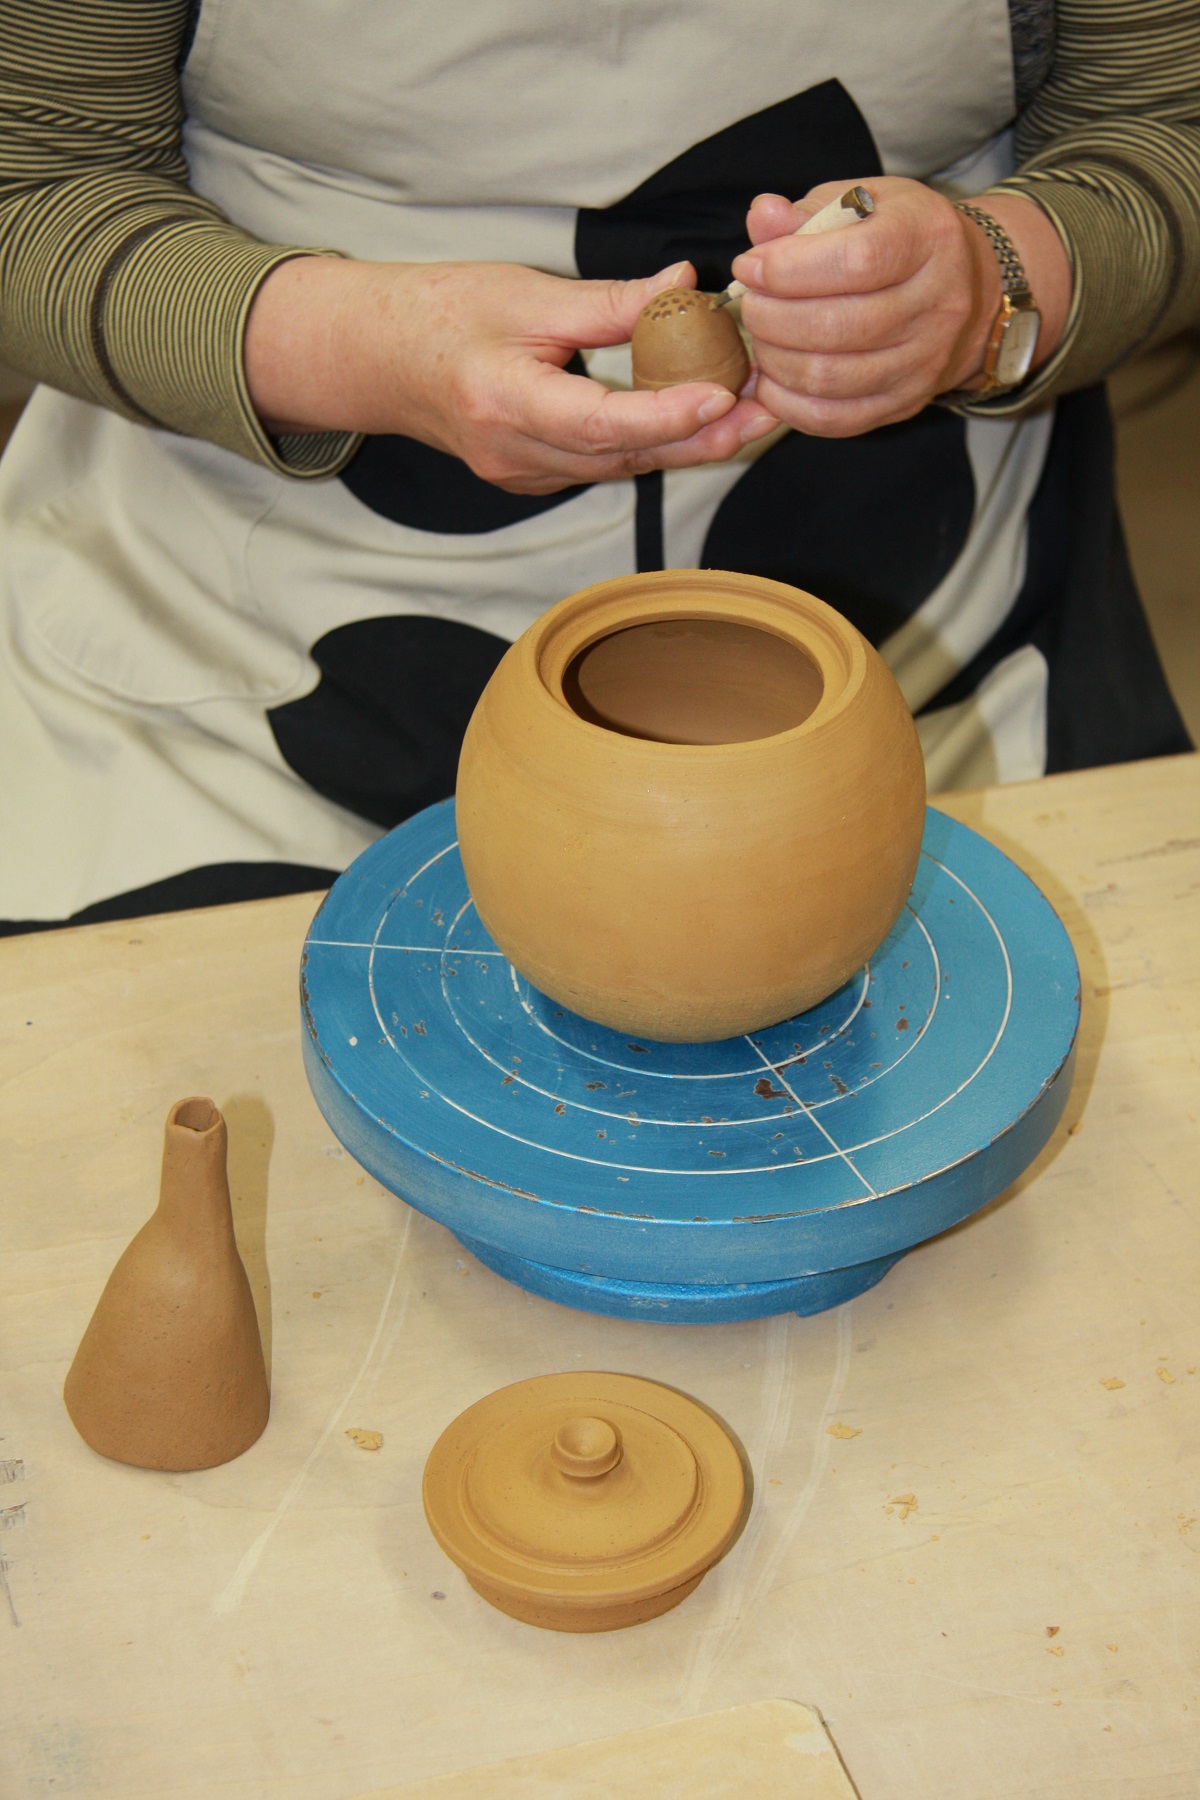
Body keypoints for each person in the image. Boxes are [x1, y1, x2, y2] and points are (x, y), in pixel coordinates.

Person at [0, 0, 1195, 932]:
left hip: (938, 685)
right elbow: (31, 180)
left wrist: (993, 285)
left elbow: (1164, 121)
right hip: (235, 691)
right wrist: (355, 350)